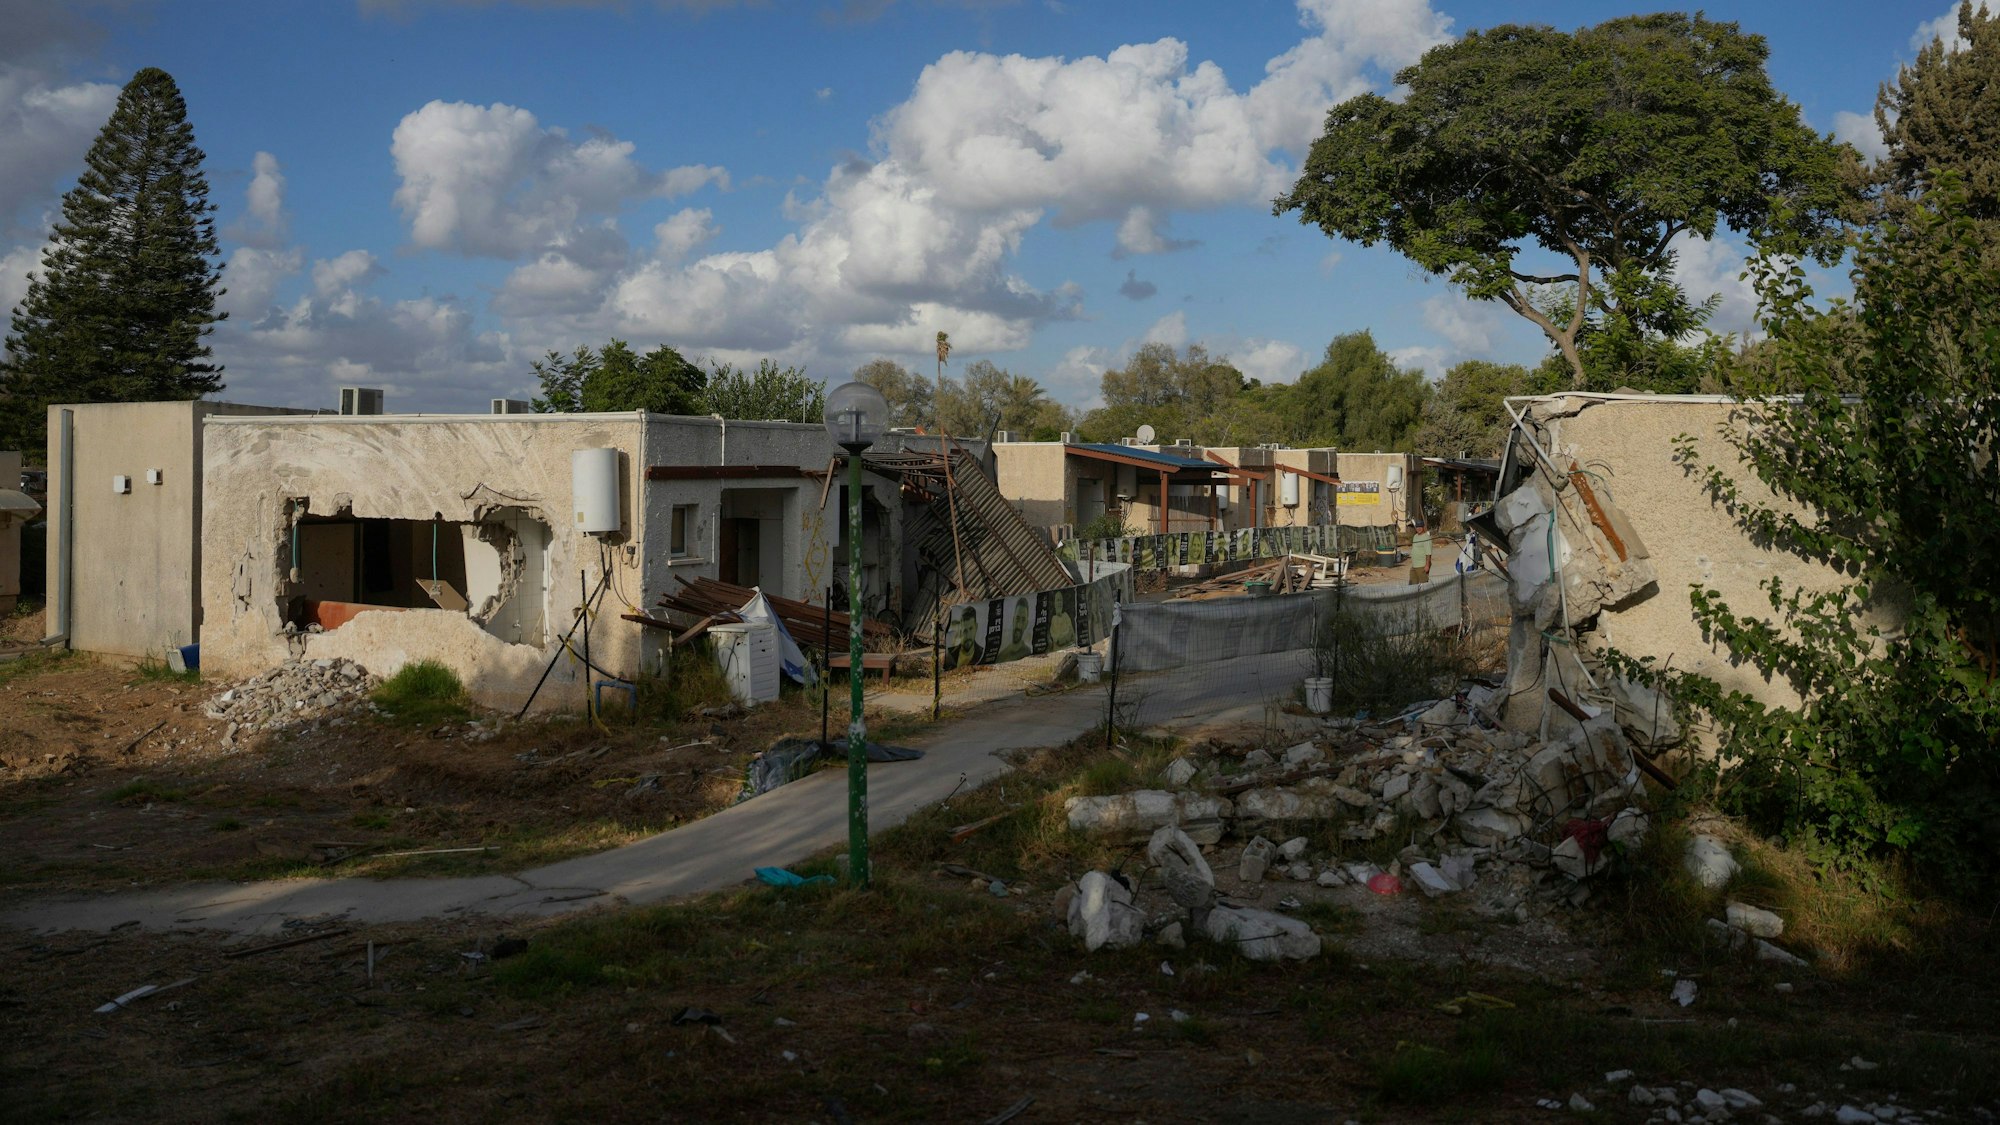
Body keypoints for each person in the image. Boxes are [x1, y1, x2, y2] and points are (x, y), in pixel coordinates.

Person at [995, 595, 1033, 662]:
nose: (1019, 625)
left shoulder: (1028, 651)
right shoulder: (1001, 656)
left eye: (1023, 620)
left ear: (1026, 624)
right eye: (1017, 619)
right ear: (1013, 620)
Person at [943, 605, 981, 670]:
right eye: (965, 630)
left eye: (971, 629)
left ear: (976, 627)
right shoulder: (950, 655)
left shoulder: (981, 653)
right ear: (960, 630)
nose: (968, 635)